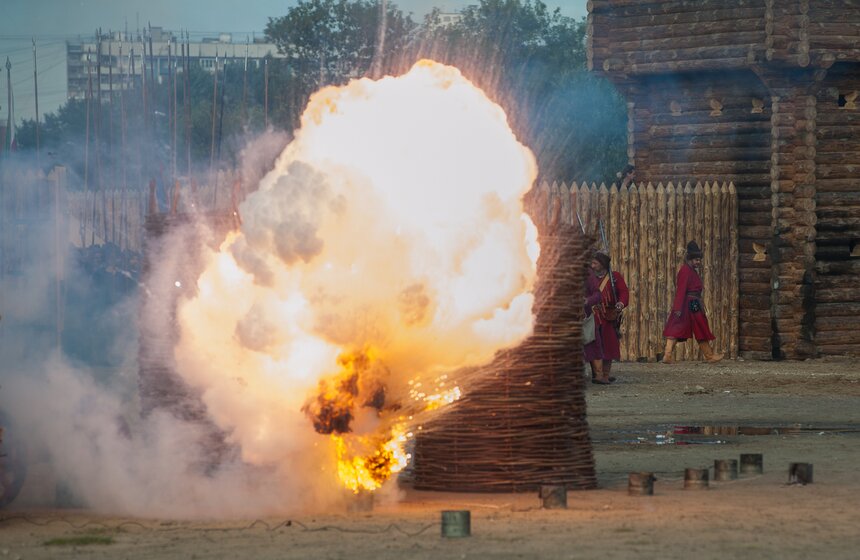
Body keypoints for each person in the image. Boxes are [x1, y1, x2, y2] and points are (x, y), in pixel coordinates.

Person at [662, 241, 723, 363]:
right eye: (696, 260)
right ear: (690, 259)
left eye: (699, 260)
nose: (698, 262)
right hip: (690, 304)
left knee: (697, 326)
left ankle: (709, 355)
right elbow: (681, 290)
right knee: (678, 327)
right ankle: (668, 355)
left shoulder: (691, 270)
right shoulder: (685, 271)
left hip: (692, 303)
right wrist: (678, 308)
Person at [584, 251, 629, 384]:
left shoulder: (614, 277)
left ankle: (605, 375)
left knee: (608, 346)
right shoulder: (589, 278)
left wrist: (621, 303)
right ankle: (596, 374)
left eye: (595, 263)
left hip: (608, 316)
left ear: (603, 265)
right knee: (594, 345)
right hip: (593, 315)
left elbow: (624, 292)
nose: (592, 265)